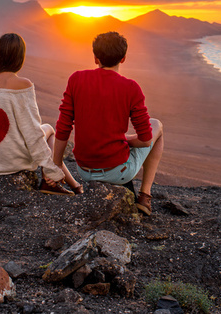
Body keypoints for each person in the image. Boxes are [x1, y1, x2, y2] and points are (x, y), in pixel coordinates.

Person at [52, 31, 164, 215]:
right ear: (123, 58)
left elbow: (63, 127)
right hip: (118, 172)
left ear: (96, 58)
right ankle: (145, 196)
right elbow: (145, 140)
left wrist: (56, 165)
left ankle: (143, 195)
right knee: (157, 125)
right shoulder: (131, 88)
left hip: (85, 172)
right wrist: (123, 140)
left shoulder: (76, 79)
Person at [0, 33, 82, 195]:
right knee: (47, 129)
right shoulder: (23, 85)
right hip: (16, 162)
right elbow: (33, 133)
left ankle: (75, 186)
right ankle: (55, 183)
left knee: (42, 130)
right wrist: (51, 170)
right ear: (20, 57)